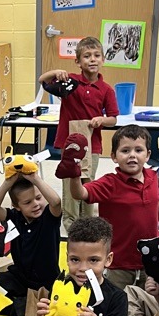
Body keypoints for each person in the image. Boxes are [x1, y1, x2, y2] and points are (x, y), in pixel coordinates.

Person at [62, 125, 159, 290]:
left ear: (148, 155)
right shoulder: (109, 183)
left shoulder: (153, 177)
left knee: (147, 304)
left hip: (149, 259)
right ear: (114, 156)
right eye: (125, 151)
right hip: (118, 263)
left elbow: (157, 202)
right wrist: (74, 173)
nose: (132, 156)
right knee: (114, 304)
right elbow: (80, 193)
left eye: (138, 150)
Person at [39, 36, 119, 230]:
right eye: (87, 56)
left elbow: (114, 118)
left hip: (93, 146)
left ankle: (88, 223)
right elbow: (43, 80)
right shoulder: (70, 82)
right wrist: (55, 72)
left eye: (96, 55)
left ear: (103, 60)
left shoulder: (106, 90)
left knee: (88, 182)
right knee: (70, 183)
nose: (92, 59)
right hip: (70, 146)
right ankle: (71, 224)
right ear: (78, 62)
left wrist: (102, 120)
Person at [0, 171, 62, 316]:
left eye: (39, 198)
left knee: (50, 305)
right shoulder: (14, 217)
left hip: (45, 282)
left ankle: (20, 306)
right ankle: (21, 304)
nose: (36, 204)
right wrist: (8, 182)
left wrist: (35, 178)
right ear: (17, 206)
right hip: (19, 277)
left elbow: (56, 202)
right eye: (27, 202)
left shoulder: (49, 217)